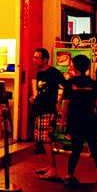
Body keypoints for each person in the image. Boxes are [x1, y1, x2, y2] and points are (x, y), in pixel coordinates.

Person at [59, 54, 97, 186]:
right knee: (94, 147)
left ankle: (69, 175)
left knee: (76, 148)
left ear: (75, 67)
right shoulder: (93, 84)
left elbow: (67, 103)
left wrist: (62, 121)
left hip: (75, 119)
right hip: (90, 119)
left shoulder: (70, 83)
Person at [30, 48, 66, 180]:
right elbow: (42, 91)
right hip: (39, 108)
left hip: (48, 109)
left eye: (37, 58)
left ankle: (53, 169)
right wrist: (35, 98)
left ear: (45, 60)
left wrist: (59, 102)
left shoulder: (54, 72)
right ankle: (49, 165)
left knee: (46, 139)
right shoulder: (39, 73)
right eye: (34, 57)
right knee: (41, 138)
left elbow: (66, 86)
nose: (34, 60)